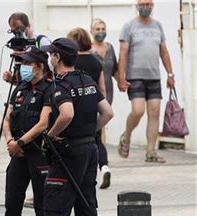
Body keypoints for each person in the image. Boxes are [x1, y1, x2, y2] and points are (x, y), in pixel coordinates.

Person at [40, 38, 113, 216]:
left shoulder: (61, 84)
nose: (50, 58)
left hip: (68, 152)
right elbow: (108, 113)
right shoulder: (87, 80)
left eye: (51, 54)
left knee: (55, 210)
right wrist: (91, 132)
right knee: (86, 206)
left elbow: (67, 114)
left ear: (58, 58)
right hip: (90, 149)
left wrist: (50, 136)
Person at [0, 47, 52, 216]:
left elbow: (43, 123)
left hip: (38, 154)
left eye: (27, 63)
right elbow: (7, 119)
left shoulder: (48, 89)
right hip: (17, 153)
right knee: (12, 203)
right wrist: (10, 142)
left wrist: (21, 142)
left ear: (40, 66)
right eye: (22, 63)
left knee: (41, 206)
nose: (23, 67)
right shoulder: (20, 89)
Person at [118, 0, 174, 163]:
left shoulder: (157, 26)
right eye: (142, 3)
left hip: (154, 76)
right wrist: (121, 77)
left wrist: (170, 74)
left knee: (154, 112)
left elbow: (164, 52)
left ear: (153, 6)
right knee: (138, 111)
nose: (145, 7)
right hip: (135, 76)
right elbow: (123, 54)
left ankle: (151, 152)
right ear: (137, 5)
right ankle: (126, 136)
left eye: (148, 4)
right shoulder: (129, 26)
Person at [66, 27, 111, 190]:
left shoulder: (71, 62)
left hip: (72, 105)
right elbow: (102, 89)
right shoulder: (95, 61)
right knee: (97, 139)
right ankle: (104, 166)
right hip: (92, 106)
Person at [91, 18, 119, 189]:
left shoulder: (110, 48)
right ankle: (103, 167)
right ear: (91, 31)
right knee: (97, 134)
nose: (101, 31)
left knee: (97, 135)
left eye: (103, 27)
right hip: (94, 97)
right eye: (97, 28)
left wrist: (122, 82)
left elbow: (114, 69)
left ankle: (101, 167)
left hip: (107, 96)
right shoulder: (88, 50)